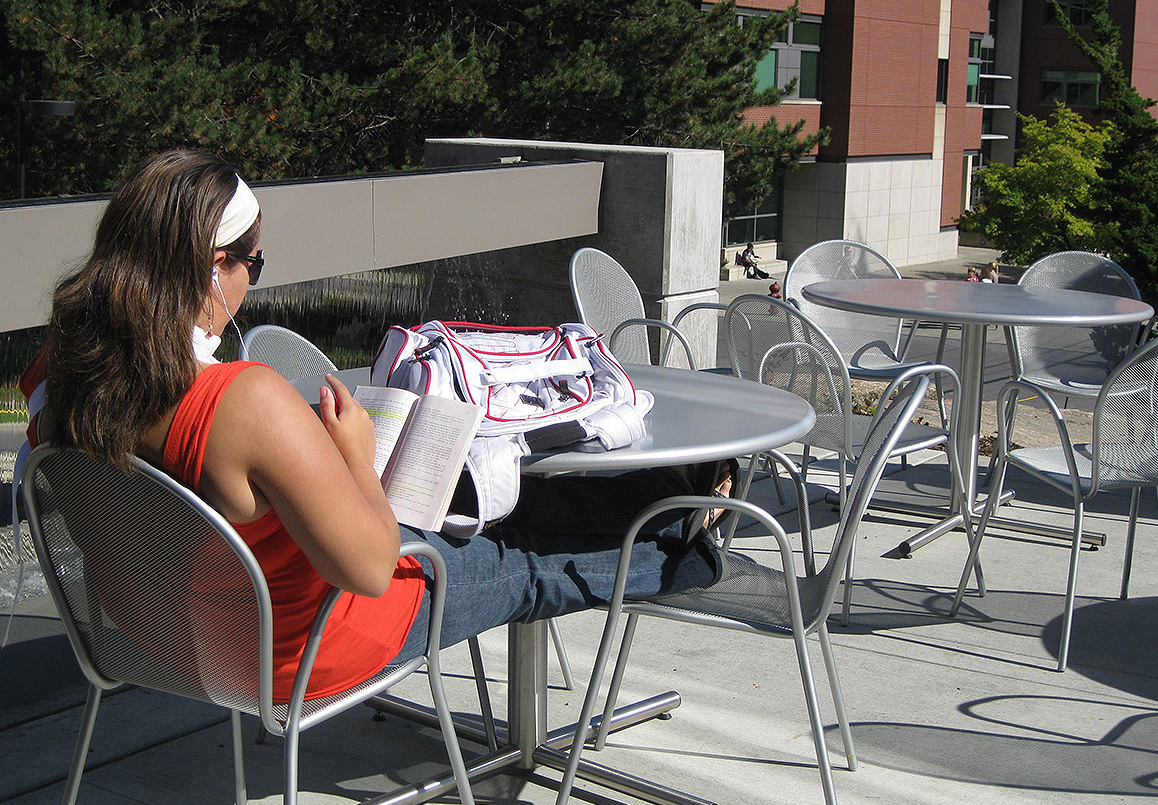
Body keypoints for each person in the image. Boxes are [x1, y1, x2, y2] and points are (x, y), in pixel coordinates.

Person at [22, 149, 729, 701]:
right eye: (252, 263)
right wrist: (356, 456)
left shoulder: (58, 376)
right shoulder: (242, 403)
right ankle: (686, 550)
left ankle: (674, 499)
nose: (251, 281)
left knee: (493, 509)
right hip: (296, 654)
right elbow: (366, 568)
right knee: (517, 560)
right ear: (213, 269)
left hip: (165, 639)